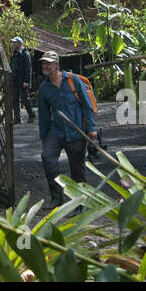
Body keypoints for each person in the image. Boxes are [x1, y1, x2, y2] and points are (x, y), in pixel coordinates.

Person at [37, 51, 97, 204]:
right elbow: (43, 116)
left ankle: (79, 203)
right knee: (47, 158)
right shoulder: (44, 88)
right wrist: (44, 139)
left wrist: (91, 128)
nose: (45, 65)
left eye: (48, 63)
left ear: (57, 65)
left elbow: (87, 105)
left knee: (77, 170)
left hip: (75, 131)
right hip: (56, 132)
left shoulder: (73, 80)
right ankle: (57, 198)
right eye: (44, 63)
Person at [9, 36, 35, 123]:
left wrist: (27, 81)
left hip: (22, 81)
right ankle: (17, 118)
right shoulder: (15, 54)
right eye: (13, 43)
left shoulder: (25, 54)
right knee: (15, 99)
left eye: (14, 43)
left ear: (19, 44)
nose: (13, 44)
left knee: (25, 99)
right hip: (15, 80)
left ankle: (31, 115)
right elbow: (12, 66)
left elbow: (28, 69)